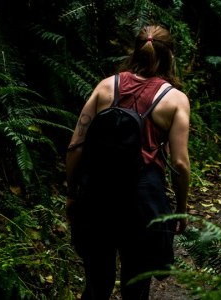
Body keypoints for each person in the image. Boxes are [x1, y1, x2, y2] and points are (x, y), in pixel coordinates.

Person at [65, 24, 190, 300]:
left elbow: (76, 146)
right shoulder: (176, 100)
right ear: (170, 57)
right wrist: (180, 210)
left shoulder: (107, 86)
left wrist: (72, 193)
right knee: (136, 287)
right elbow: (180, 164)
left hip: (96, 196)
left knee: (97, 285)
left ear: (134, 51)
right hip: (142, 203)